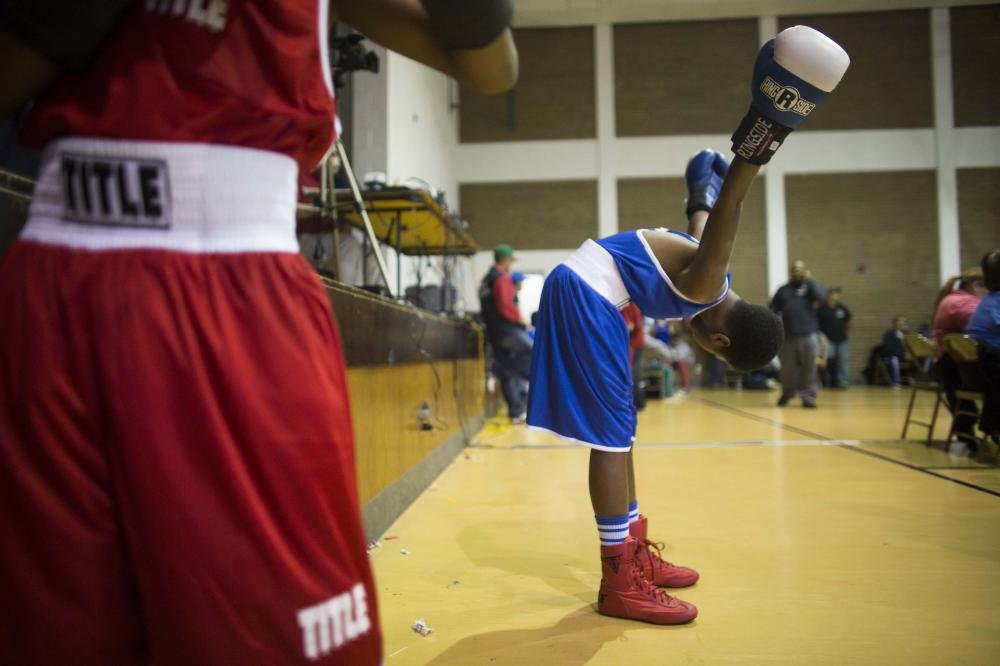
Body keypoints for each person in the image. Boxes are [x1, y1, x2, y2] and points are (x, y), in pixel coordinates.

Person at [0, 1, 517, 663]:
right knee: (53, 632)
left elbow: (492, 66)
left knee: (274, 642)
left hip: (233, 284)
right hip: (55, 279)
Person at [527, 25, 848, 625]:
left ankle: (633, 551)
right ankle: (619, 581)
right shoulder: (705, 284)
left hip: (591, 294)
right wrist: (764, 131)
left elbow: (704, 210)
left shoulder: (711, 277)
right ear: (719, 341)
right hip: (587, 294)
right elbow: (730, 206)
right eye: (716, 356)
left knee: (621, 432)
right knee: (611, 438)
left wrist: (699, 185)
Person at [932, 267, 986, 447]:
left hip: (949, 369)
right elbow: (984, 330)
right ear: (977, 285)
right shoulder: (964, 303)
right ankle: (990, 426)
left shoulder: (951, 299)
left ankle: (969, 428)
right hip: (960, 371)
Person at [480, 244, 532, 423]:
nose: (511, 264)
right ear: (505, 260)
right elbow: (505, 306)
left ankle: (515, 412)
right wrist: (520, 319)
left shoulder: (486, 279)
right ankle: (502, 369)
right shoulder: (502, 277)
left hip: (493, 332)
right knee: (534, 351)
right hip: (506, 330)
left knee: (508, 372)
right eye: (511, 260)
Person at [771, 260, 827, 408]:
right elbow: (773, 308)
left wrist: (810, 281)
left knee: (809, 367)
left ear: (804, 271)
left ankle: (807, 396)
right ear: (790, 272)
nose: (797, 271)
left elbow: (822, 298)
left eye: (800, 268)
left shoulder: (810, 288)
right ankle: (787, 393)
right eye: (794, 269)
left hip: (808, 335)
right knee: (787, 369)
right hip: (788, 336)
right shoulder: (783, 290)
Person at [965, 250, 1000, 445]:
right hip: (990, 370)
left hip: (980, 370)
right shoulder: (996, 302)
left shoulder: (989, 300)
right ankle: (994, 424)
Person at [817, 287, 852, 387]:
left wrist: (846, 333)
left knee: (843, 361)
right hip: (828, 341)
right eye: (833, 294)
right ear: (828, 295)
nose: (835, 296)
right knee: (829, 361)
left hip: (842, 340)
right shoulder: (821, 309)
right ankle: (830, 381)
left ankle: (844, 381)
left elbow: (849, 321)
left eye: (837, 294)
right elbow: (817, 324)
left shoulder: (842, 309)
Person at [621, 302, 647, 410]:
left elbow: (630, 326)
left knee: (633, 374)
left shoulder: (627, 306)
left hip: (634, 343)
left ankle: (637, 404)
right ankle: (639, 403)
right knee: (635, 374)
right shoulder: (634, 304)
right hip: (637, 343)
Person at [880, 316, 908, 387]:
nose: (902, 324)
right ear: (895, 323)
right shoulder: (889, 334)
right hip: (891, 356)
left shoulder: (904, 335)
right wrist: (900, 354)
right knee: (894, 361)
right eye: (901, 322)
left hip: (901, 356)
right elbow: (888, 348)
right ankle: (896, 382)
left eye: (904, 322)